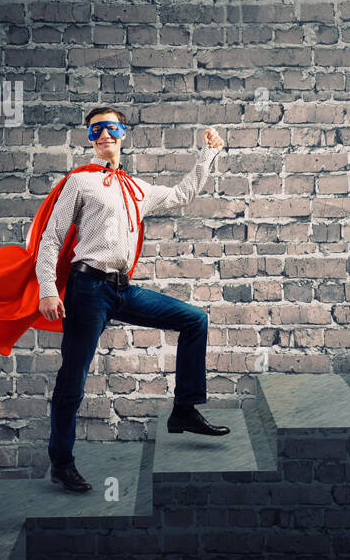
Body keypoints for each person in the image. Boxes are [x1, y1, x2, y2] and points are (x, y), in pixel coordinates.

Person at [37, 107, 228, 494]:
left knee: (194, 321)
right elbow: (51, 238)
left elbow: (182, 194)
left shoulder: (135, 189)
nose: (104, 135)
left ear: (123, 133)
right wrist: (47, 289)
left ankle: (185, 411)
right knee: (73, 378)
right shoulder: (79, 182)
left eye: (111, 128)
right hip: (87, 289)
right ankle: (61, 463)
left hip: (123, 289)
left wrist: (207, 155)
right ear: (90, 138)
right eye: (96, 130)